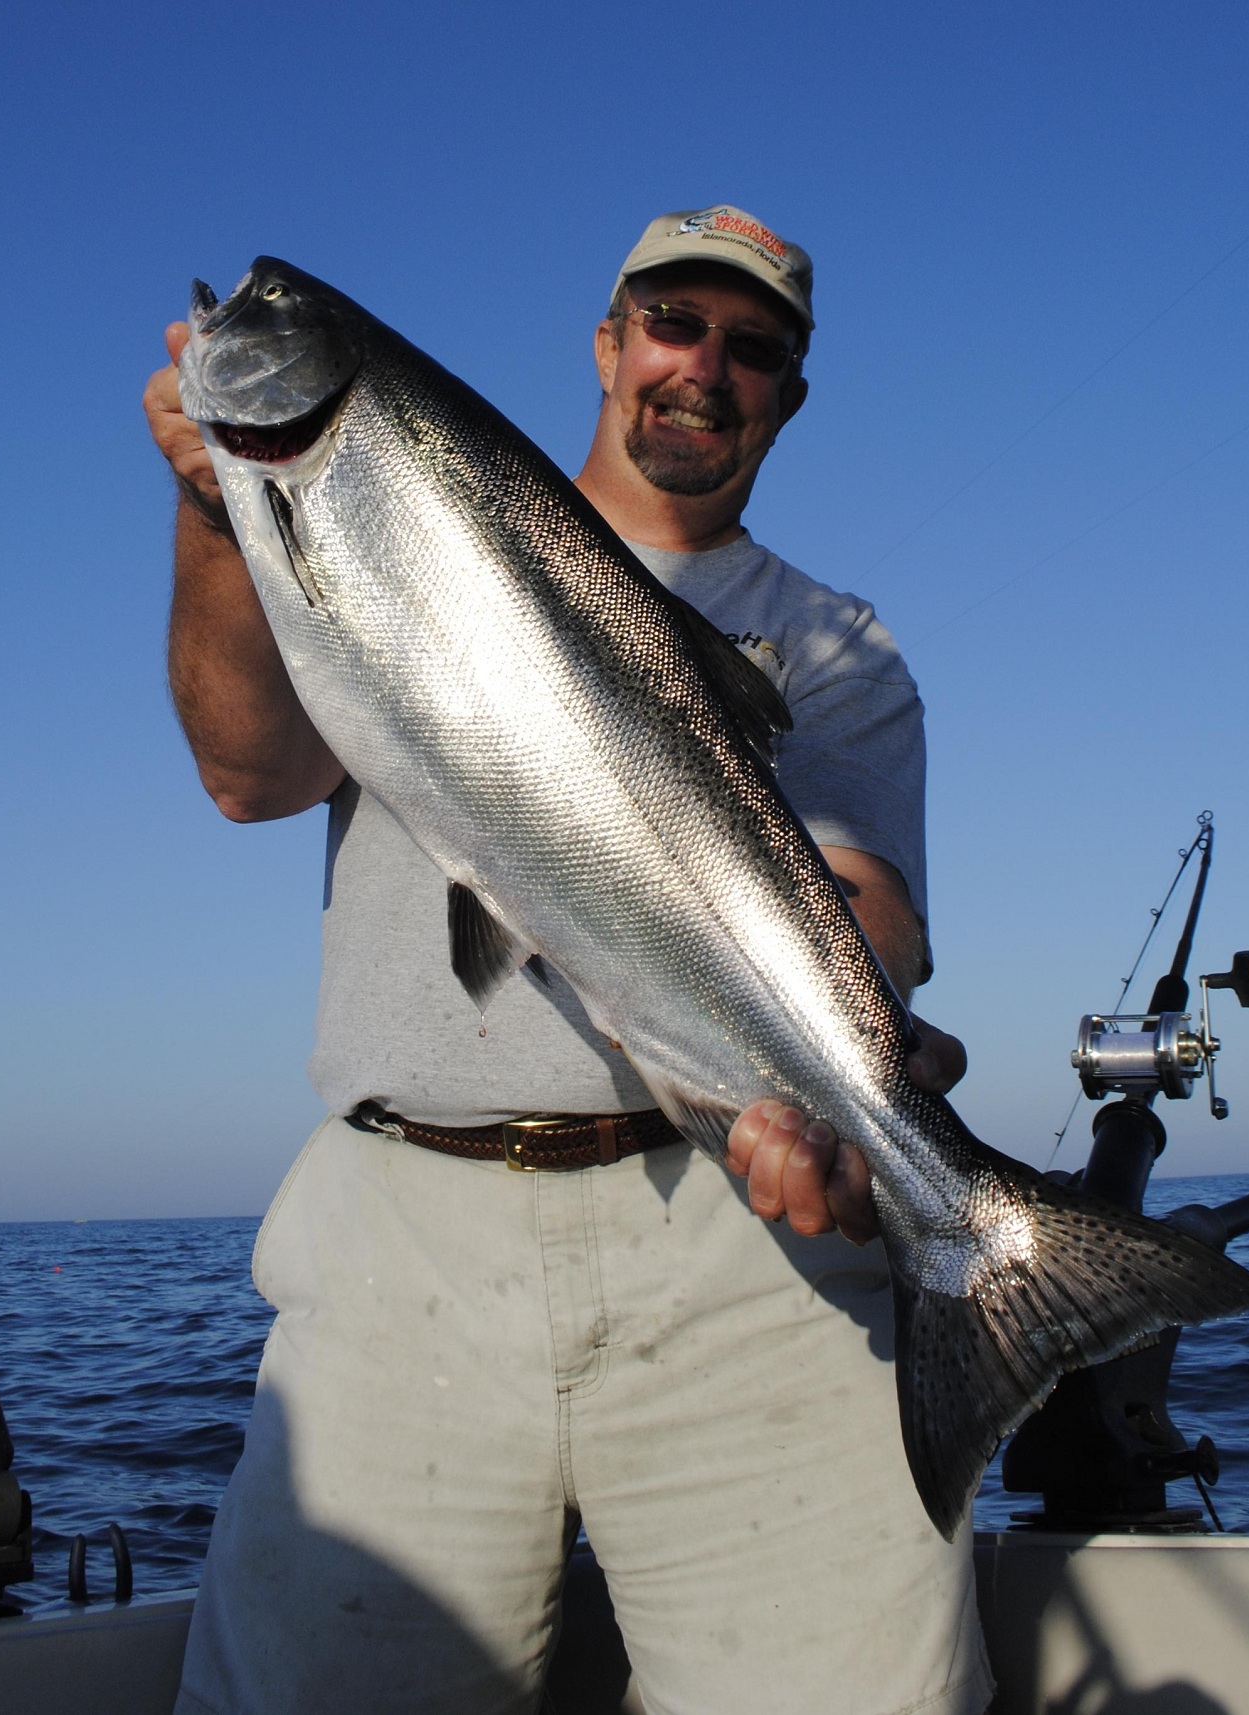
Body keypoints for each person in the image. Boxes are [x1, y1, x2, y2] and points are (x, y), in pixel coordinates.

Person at [144, 206, 995, 1715]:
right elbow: (245, 776)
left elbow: (869, 901)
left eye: (756, 349)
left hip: (745, 1251)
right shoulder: (373, 512)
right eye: (675, 322)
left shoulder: (831, 644)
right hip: (402, 1236)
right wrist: (221, 508)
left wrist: (858, 1056)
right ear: (609, 345)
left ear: (789, 395)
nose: (705, 367)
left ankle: (986, 1261)